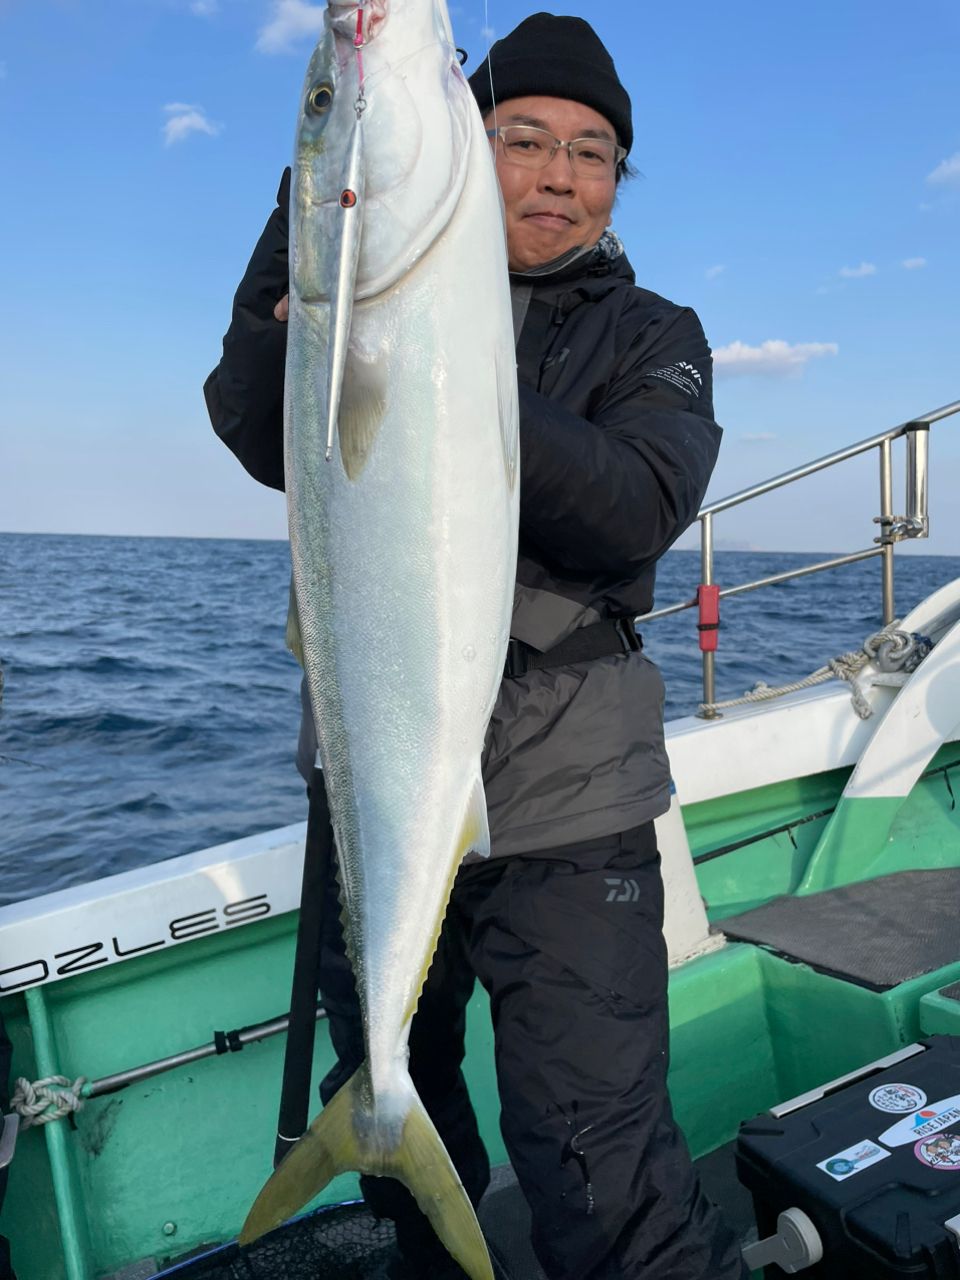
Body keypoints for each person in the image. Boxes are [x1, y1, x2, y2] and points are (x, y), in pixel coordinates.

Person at [205, 12, 747, 1279]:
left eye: (594, 152)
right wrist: (330, 195)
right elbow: (249, 411)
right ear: (455, 134)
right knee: (406, 1101)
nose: (560, 174)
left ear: (619, 180)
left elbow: (633, 504)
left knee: (596, 1148)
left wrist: (449, 360)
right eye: (522, 138)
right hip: (377, 780)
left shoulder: (655, 335)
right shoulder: (363, 289)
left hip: (572, 807)